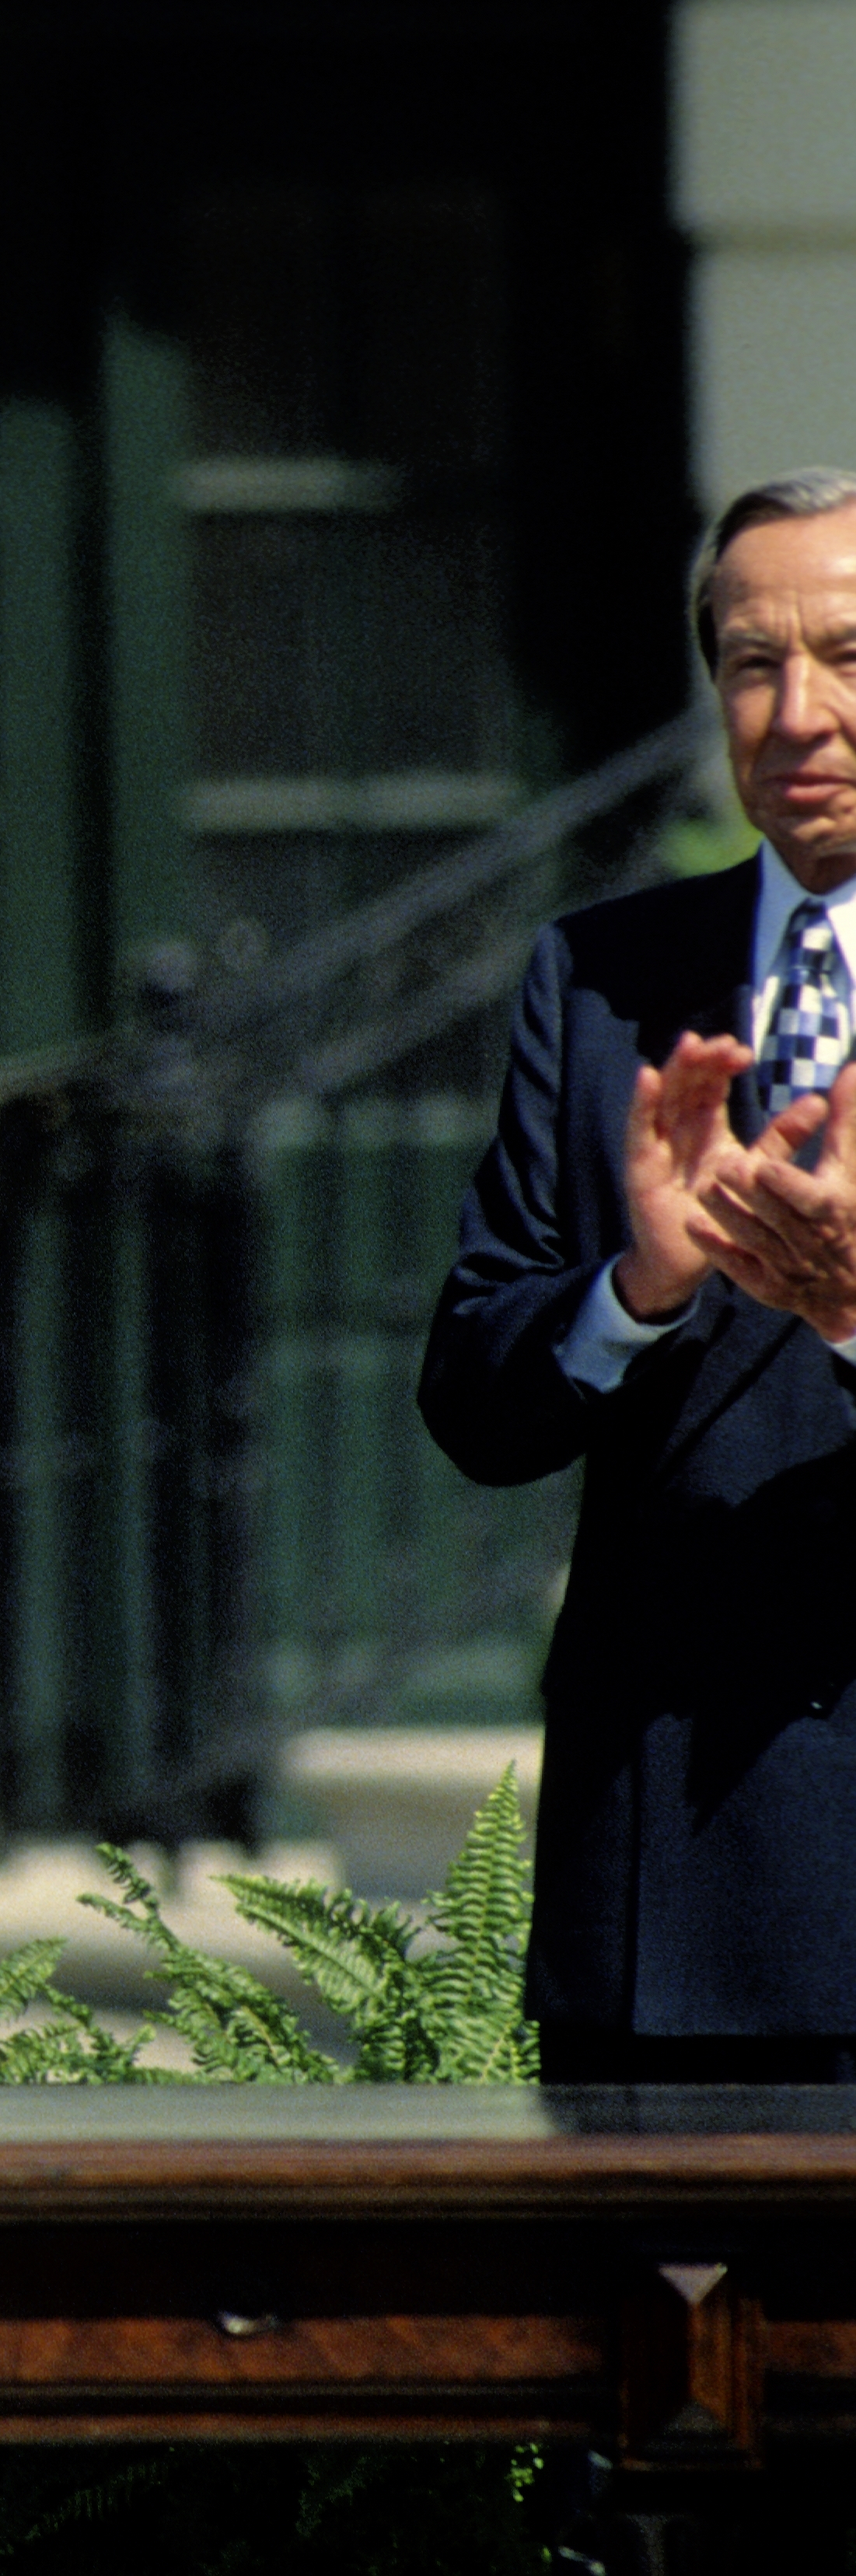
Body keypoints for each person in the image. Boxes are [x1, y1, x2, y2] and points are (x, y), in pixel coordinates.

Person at [423, 466, 856, 2082]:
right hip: (660, 1892)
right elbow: (474, 1397)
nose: (798, 711)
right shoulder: (602, 978)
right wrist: (638, 1292)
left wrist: (853, 1318)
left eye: (849, 655)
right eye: (753, 662)